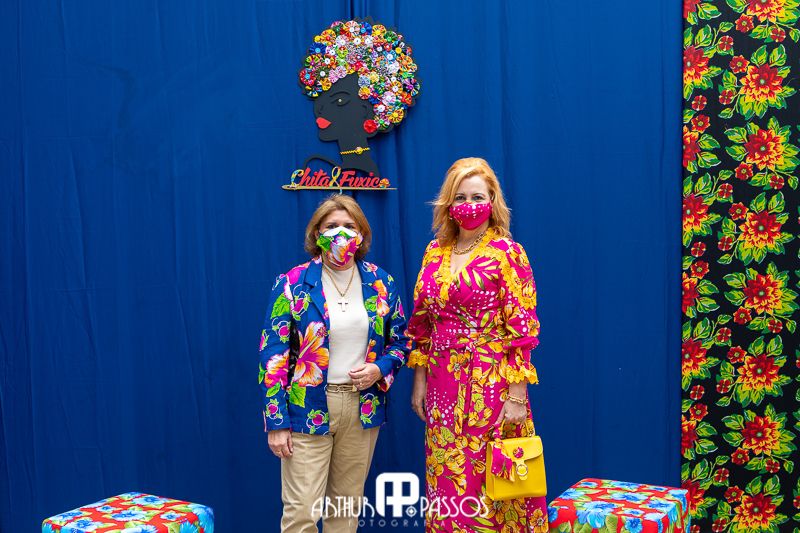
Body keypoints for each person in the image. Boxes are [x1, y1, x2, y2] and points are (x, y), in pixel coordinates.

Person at [407, 158, 548, 533]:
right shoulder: (434, 252)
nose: (468, 204)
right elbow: (422, 323)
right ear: (448, 203)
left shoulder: (507, 252)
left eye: (477, 196)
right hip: (441, 382)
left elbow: (522, 328)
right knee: (445, 475)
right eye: (460, 197)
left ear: (492, 201)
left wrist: (517, 395)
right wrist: (420, 380)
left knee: (490, 479)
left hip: (490, 383)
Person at [259, 194, 409, 532]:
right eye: (331, 226)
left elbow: (401, 341)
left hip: (361, 407)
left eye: (349, 226)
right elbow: (273, 356)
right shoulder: (293, 283)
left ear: (361, 234)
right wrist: (276, 421)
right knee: (301, 513)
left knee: (346, 509)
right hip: (307, 407)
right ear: (317, 233)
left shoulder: (381, 282)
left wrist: (380, 369)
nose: (340, 233)